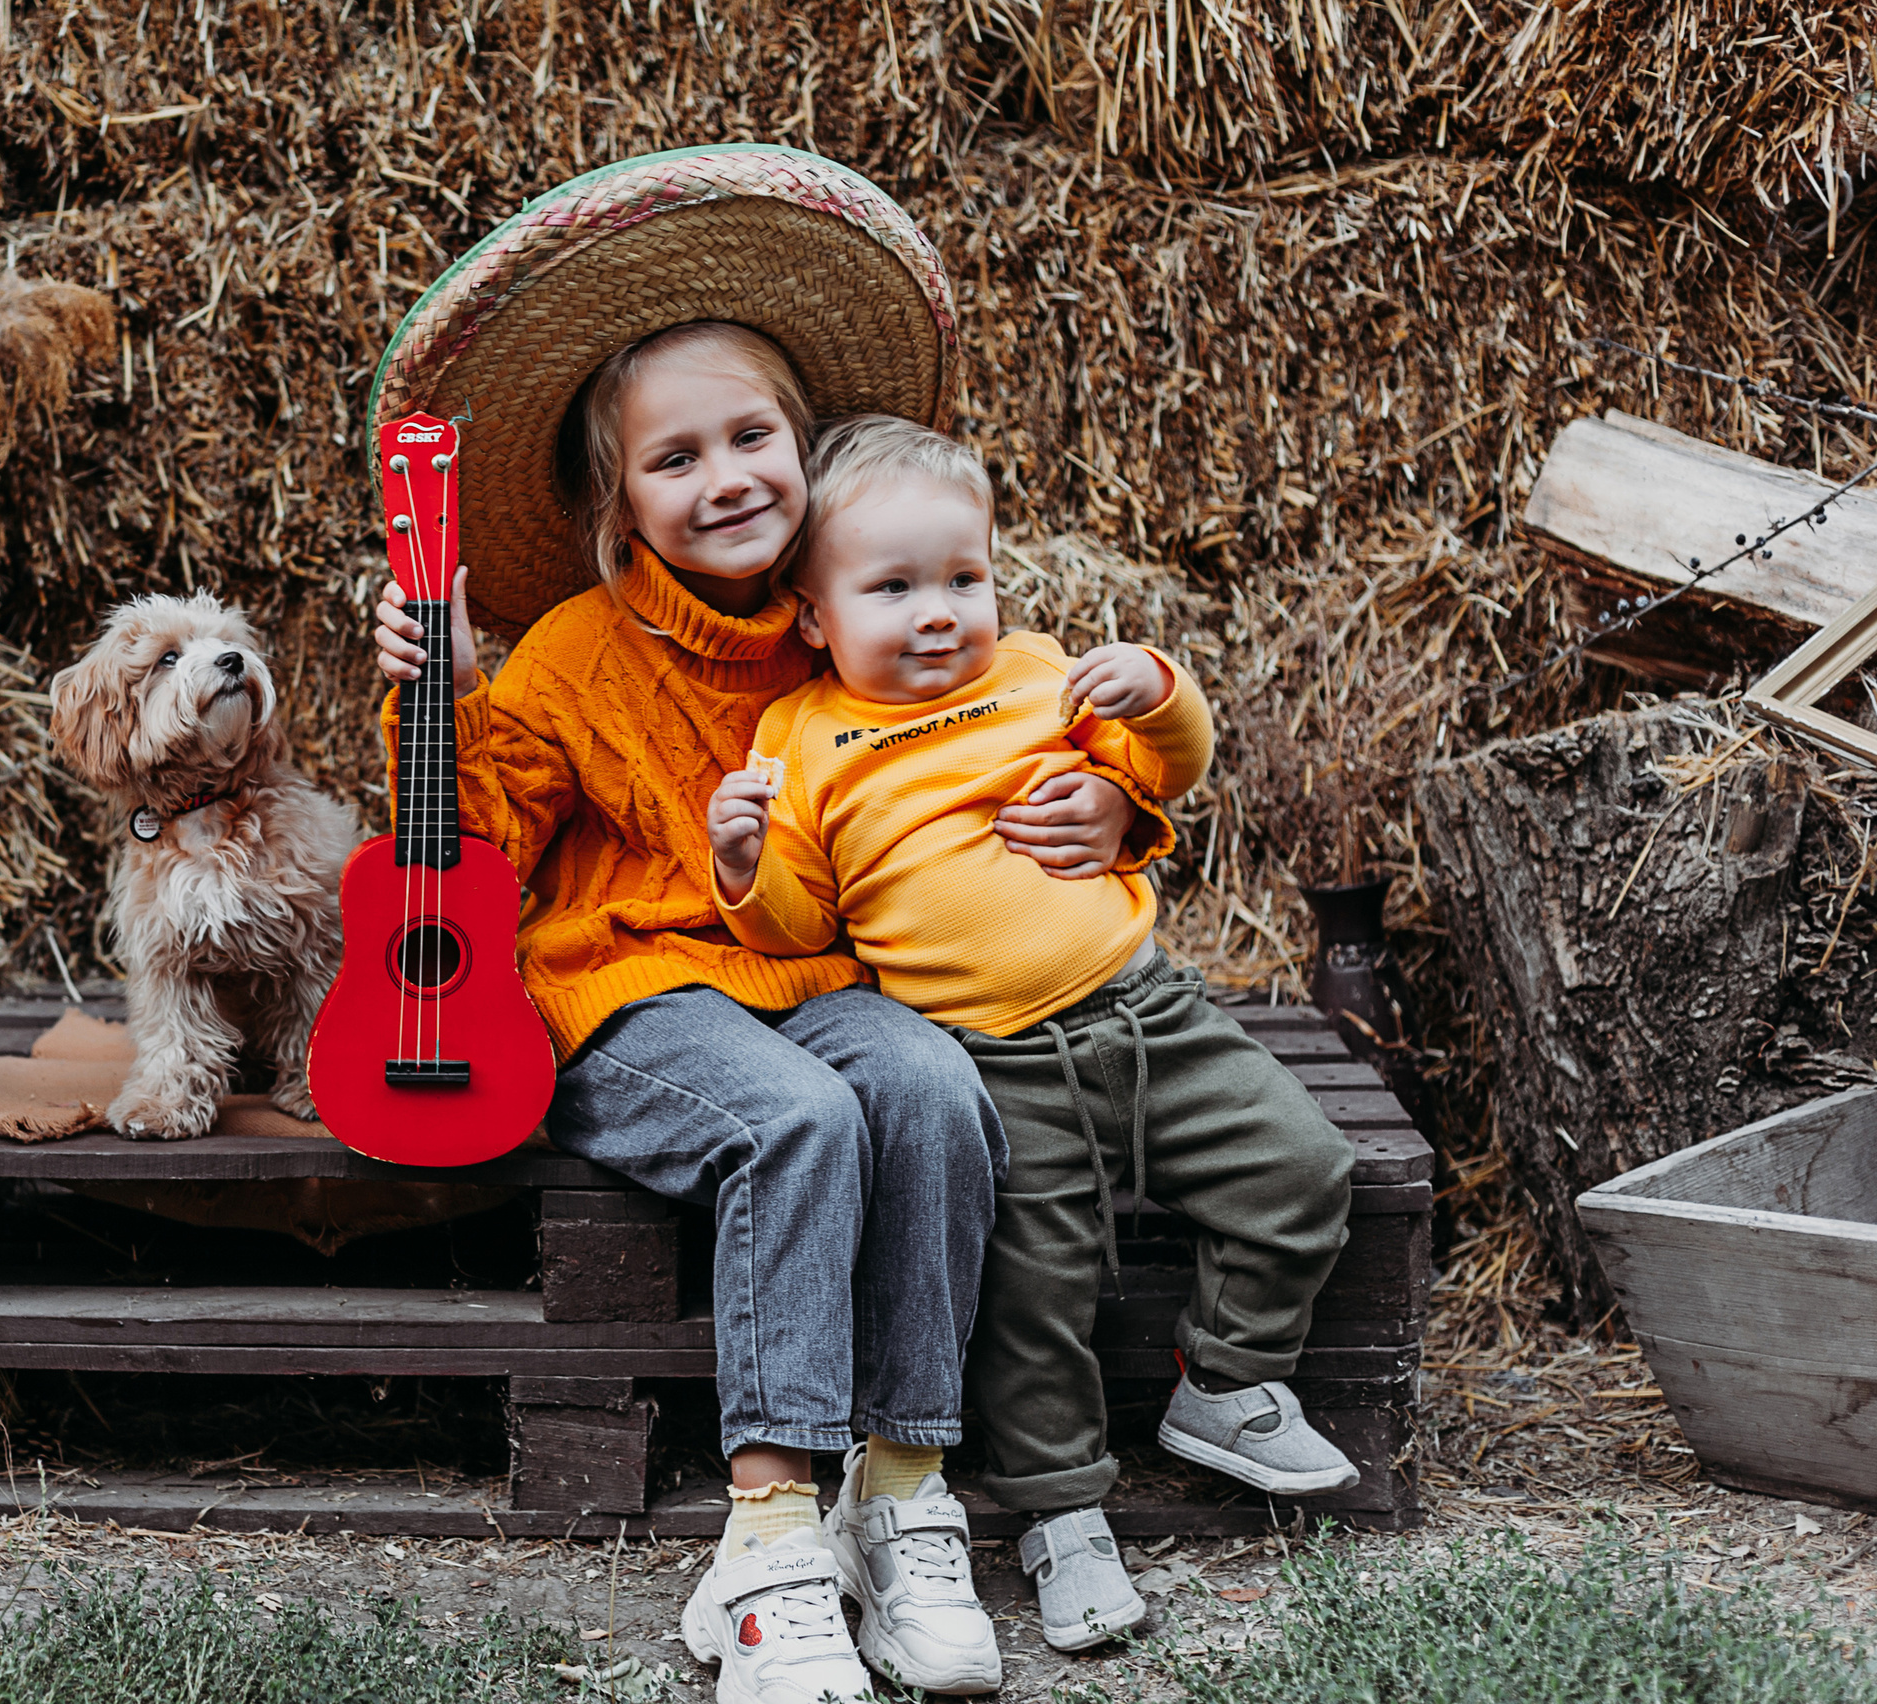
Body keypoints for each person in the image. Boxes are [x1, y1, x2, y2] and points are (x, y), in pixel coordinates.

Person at [362, 147, 1151, 1704]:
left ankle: (902, 1495)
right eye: (675, 458)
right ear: (617, 504)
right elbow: (467, 857)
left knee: (927, 1084)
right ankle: (771, 1535)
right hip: (631, 994)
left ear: (805, 448)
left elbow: (1011, 744)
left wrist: (1117, 803)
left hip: (818, 969)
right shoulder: (573, 654)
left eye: (751, 437)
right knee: (799, 1119)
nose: (724, 476)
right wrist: (437, 697)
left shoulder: (860, 614)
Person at [706, 414, 1361, 1655]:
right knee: (1034, 1293)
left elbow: (1167, 768)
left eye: (965, 578)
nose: (938, 613)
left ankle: (1226, 1380)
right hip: (995, 1061)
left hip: (1149, 1014)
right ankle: (1064, 1518)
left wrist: (1159, 697)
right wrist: (744, 867)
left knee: (1304, 1166)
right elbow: (802, 920)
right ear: (811, 616)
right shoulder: (801, 738)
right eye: (892, 589)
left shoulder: (1034, 674)